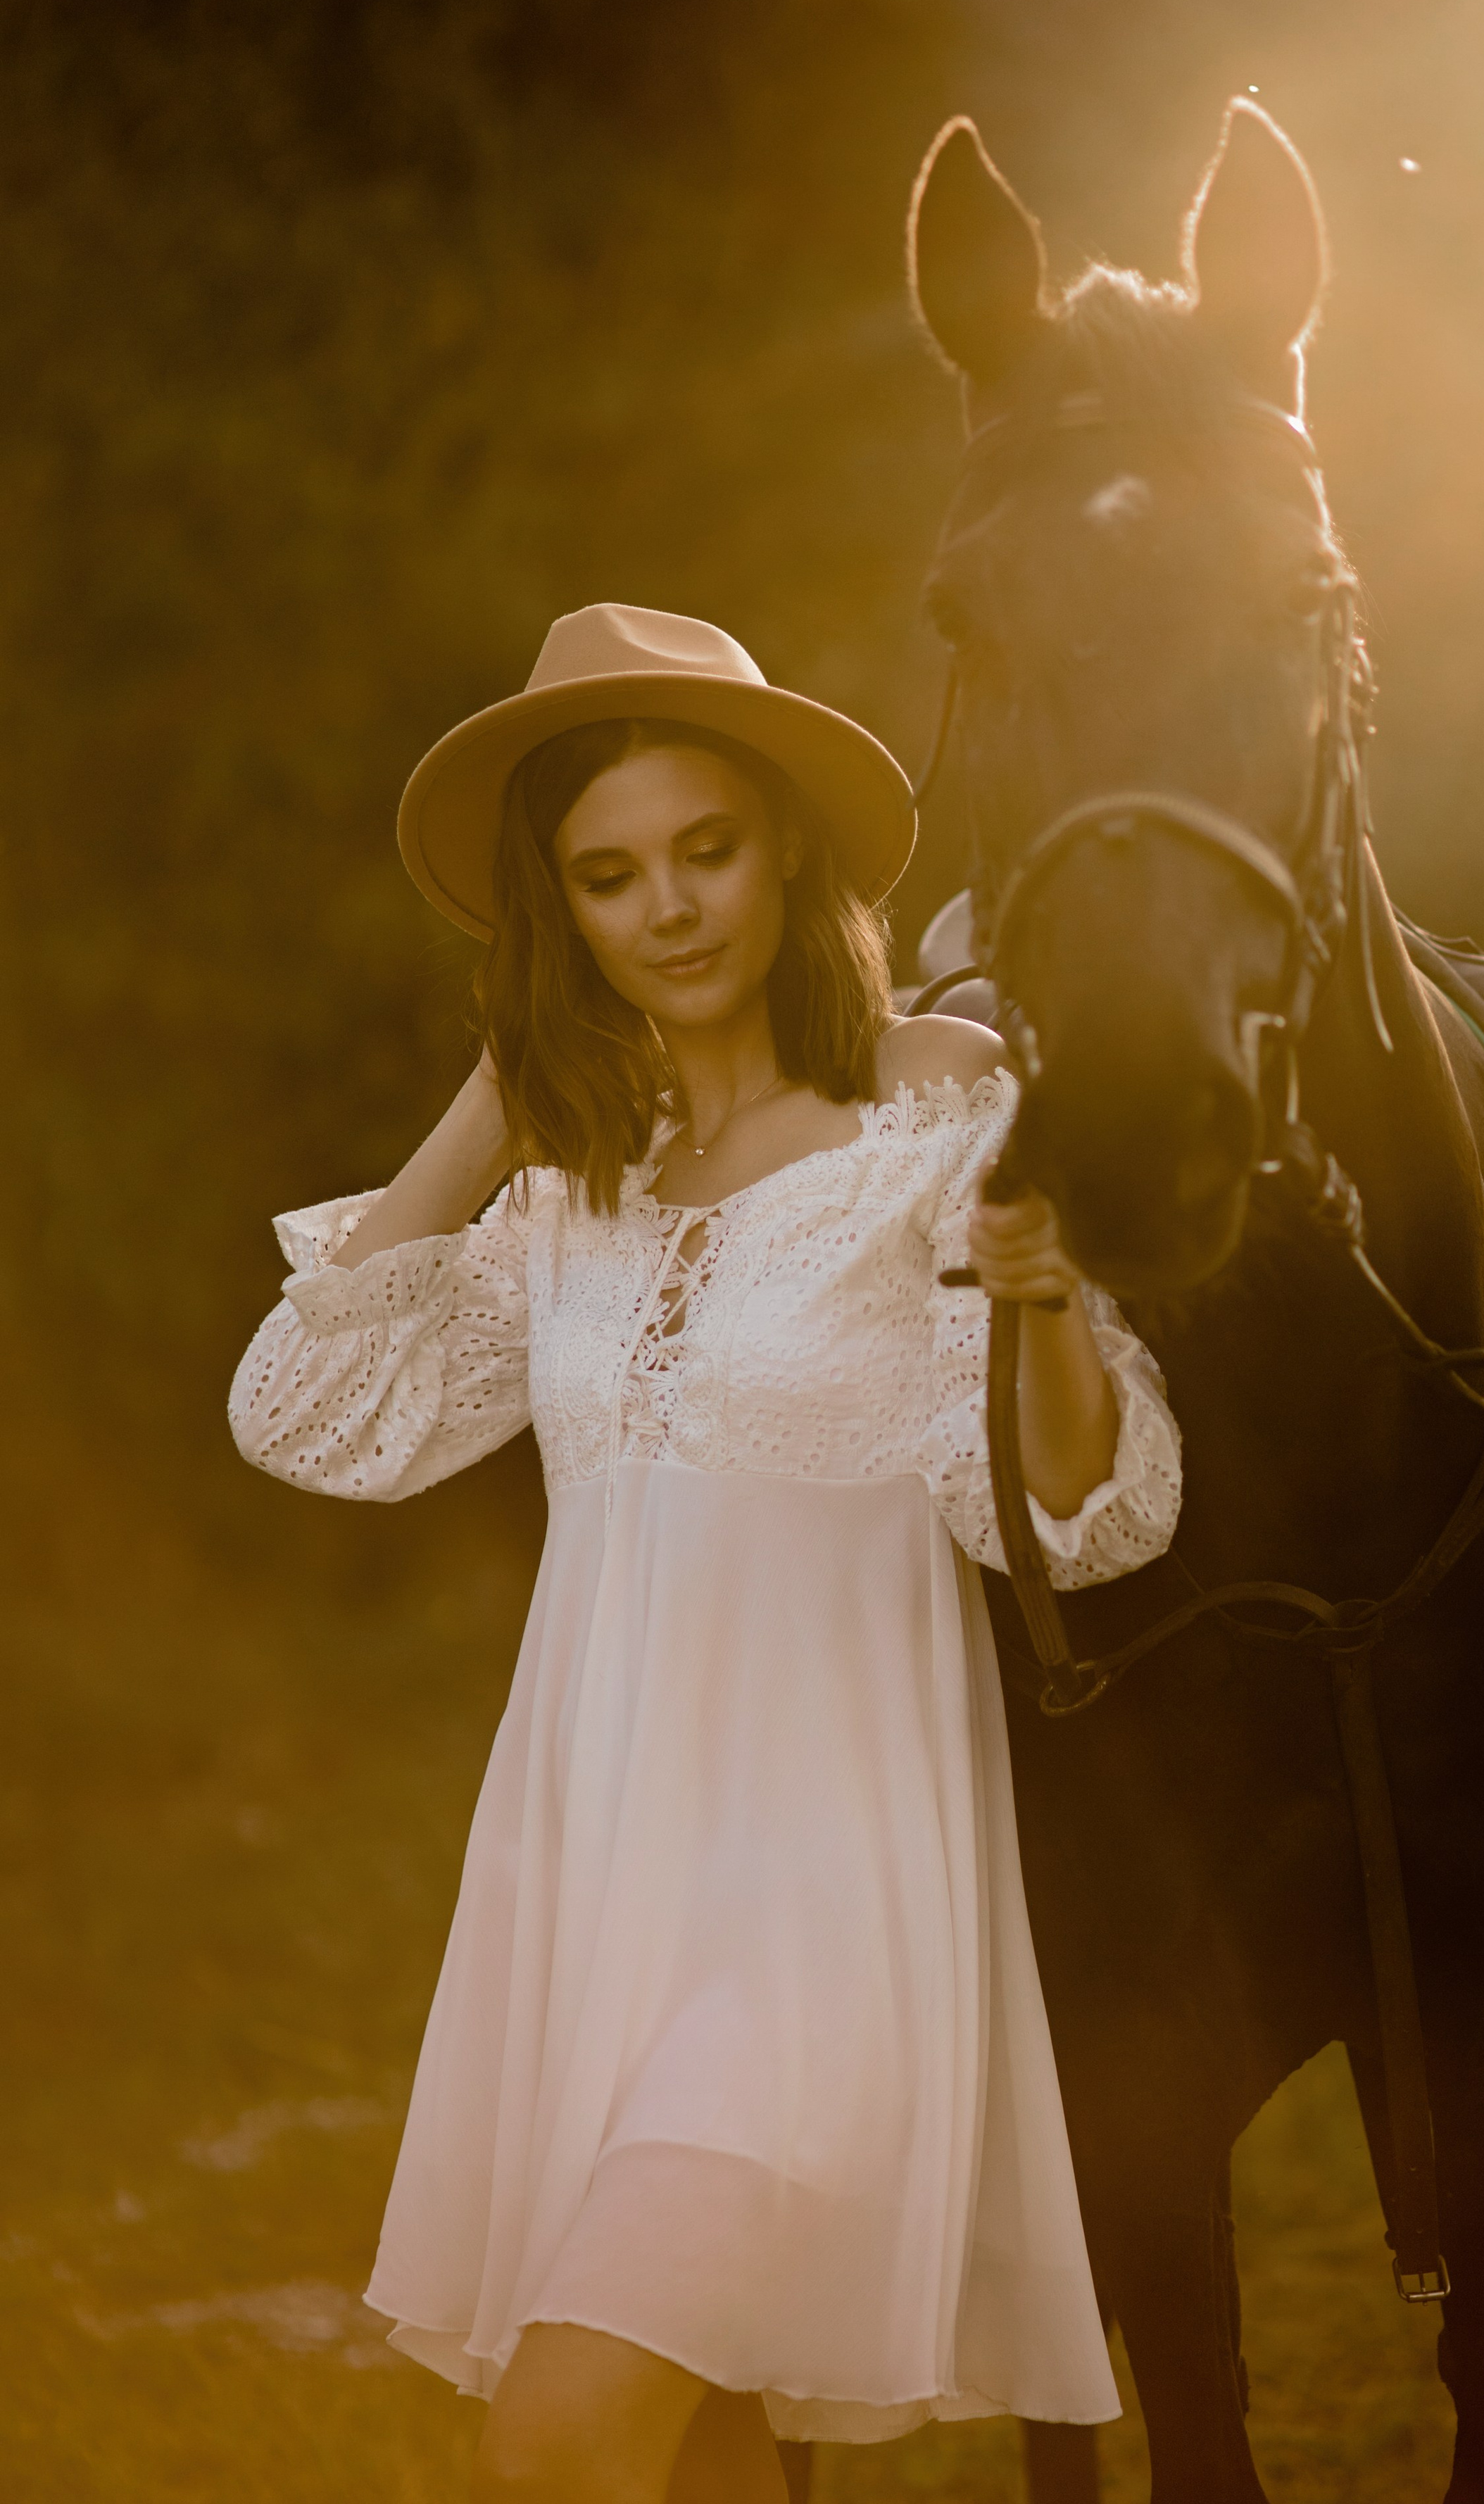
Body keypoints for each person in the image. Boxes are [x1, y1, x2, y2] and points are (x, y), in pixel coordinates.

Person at [228, 603, 1183, 2504]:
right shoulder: (581, 1185)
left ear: (788, 853)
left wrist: (1048, 1299)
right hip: (605, 1911)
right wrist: (498, 1096)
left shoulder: (931, 1103)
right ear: (559, 916)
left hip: (825, 1918)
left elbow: (1086, 1513)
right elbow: (309, 1411)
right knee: (693, 2463)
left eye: (707, 848)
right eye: (606, 877)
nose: (666, 908)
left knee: (559, 2441)